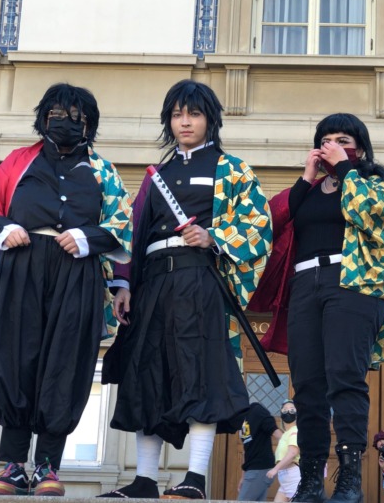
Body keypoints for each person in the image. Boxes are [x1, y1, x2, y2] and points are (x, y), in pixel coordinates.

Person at [101, 79, 273, 500]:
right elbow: (133, 230)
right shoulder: (157, 175)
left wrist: (214, 236)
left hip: (198, 280)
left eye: (193, 114)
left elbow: (260, 226)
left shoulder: (232, 168)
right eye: (177, 115)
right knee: (147, 375)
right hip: (153, 283)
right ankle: (144, 480)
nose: (185, 122)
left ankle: (194, 478)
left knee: (200, 375)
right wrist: (124, 282)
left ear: (210, 119)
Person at [0, 83, 133, 496]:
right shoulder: (18, 162)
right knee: (14, 356)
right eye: (57, 113)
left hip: (76, 273)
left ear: (89, 126)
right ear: (42, 118)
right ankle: (12, 465)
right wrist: (3, 229)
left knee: (67, 359)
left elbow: (123, 222)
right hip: (20, 268)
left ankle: (47, 466)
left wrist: (88, 238)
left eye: (77, 117)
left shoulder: (103, 170)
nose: (66, 122)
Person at [249, 113, 384, 503]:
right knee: (307, 386)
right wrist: (306, 178)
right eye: (326, 139)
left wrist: (348, 169)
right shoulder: (312, 187)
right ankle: (310, 479)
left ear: (361, 149)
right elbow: (272, 221)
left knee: (346, 378)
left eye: (344, 139)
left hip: (351, 284)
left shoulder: (372, 184)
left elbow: (377, 216)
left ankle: (350, 478)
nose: (334, 145)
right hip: (304, 285)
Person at [237, 402, 284, 501]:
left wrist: (292, 454)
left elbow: (279, 435)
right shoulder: (242, 419)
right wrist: (243, 476)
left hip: (260, 469)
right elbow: (247, 449)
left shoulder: (257, 411)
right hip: (252, 471)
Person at [268, 400, 301, 502]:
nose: (288, 412)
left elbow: (292, 453)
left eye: (292, 410)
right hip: (284, 480)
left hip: (293, 478)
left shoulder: (295, 431)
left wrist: (275, 469)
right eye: (285, 410)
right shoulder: (286, 433)